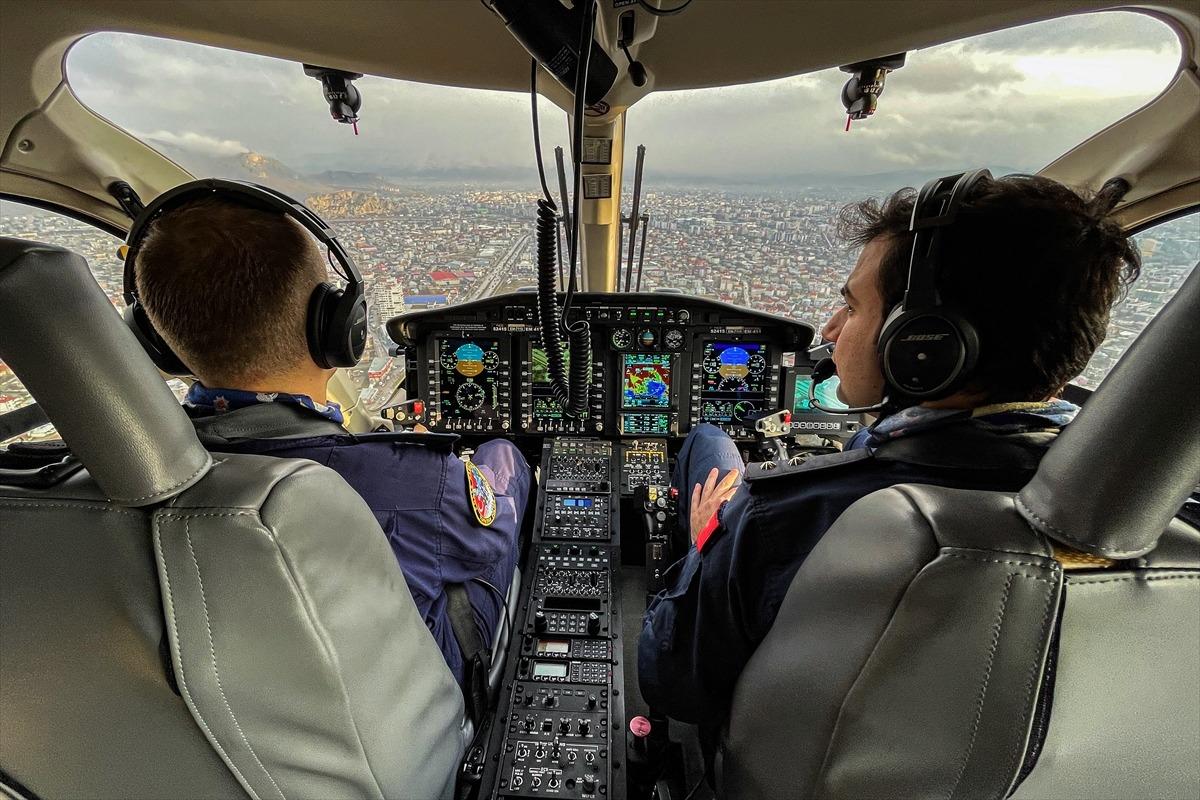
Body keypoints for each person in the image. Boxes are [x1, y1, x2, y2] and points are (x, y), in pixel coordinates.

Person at [639, 172, 1141, 742]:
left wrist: (707, 540)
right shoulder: (1126, 513)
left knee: (709, 441)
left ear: (925, 342)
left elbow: (671, 683)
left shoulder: (782, 514)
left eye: (851, 307)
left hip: (774, 750)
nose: (830, 328)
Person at [132, 193, 531, 698]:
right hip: (406, 699)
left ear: (158, 341)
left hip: (245, 703)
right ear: (336, 325)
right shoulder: (412, 478)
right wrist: (447, 467)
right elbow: (490, 539)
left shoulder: (135, 474)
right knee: (505, 459)